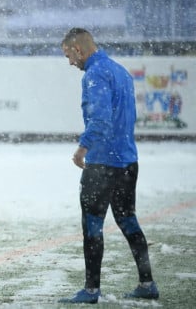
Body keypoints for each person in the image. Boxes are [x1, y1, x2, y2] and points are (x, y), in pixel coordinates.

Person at [58, 28, 159, 304]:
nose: (69, 62)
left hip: (103, 164)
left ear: (79, 49)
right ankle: (147, 282)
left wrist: (82, 148)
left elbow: (100, 119)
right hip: (128, 160)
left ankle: (91, 290)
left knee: (92, 226)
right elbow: (128, 117)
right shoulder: (121, 71)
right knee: (128, 220)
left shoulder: (94, 74)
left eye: (68, 55)